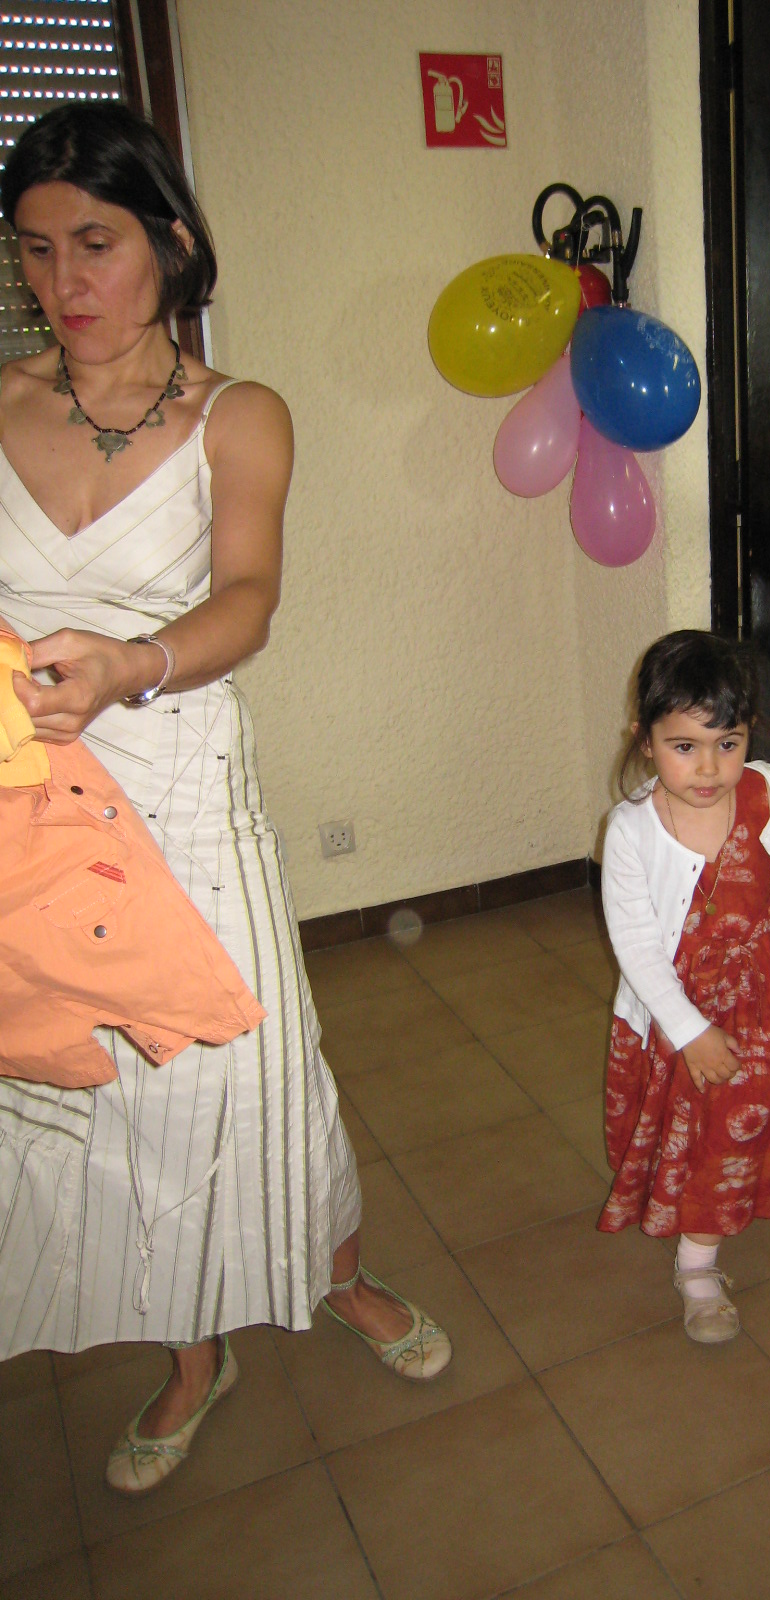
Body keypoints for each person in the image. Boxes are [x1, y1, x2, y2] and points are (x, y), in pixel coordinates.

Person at [0, 102, 450, 1494]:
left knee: (253, 1065)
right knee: (111, 1086)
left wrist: (129, 663)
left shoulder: (236, 414)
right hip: (38, 809)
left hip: (185, 787)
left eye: (95, 243)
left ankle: (335, 1272)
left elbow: (248, 597)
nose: (63, 282)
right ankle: (195, 1354)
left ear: (172, 243)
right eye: (34, 250)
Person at [598, 630, 770, 1341]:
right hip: (672, 1009)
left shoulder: (768, 791)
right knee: (670, 1127)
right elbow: (636, 945)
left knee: (728, 1133)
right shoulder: (629, 832)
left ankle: (698, 1266)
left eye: (729, 743)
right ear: (645, 739)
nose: (710, 768)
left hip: (756, 1003)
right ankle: (674, 1206)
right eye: (685, 746)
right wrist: (689, 1030)